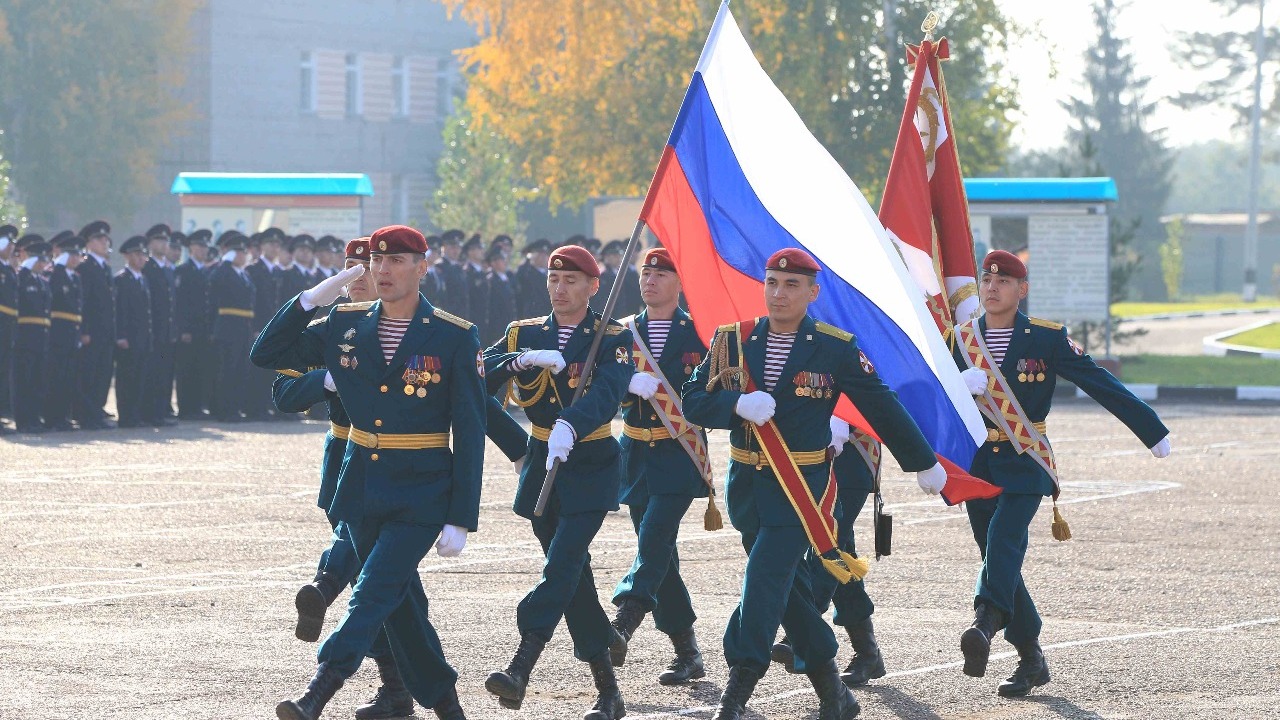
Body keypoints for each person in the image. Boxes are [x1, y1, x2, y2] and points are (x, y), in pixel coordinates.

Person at [681, 248, 946, 720]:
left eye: (791, 285)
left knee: (763, 582)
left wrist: (921, 460)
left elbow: (881, 404)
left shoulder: (834, 347)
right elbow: (693, 401)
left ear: (813, 293)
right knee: (787, 593)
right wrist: (735, 407)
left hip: (801, 491)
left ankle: (737, 690)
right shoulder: (733, 339)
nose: (779, 294)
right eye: (772, 283)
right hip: (747, 488)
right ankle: (834, 693)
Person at [252, 225, 481, 720]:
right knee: (402, 608)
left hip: (421, 490)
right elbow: (265, 355)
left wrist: (461, 514)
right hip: (359, 486)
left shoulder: (453, 334)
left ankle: (318, 692)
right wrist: (310, 300)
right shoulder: (345, 323)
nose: (383, 270)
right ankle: (448, 707)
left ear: (422, 267)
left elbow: (470, 426)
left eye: (397, 260)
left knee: (373, 590)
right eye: (378, 261)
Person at [946, 250, 1172, 697]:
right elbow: (930, 396)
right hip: (979, 462)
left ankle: (985, 621)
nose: (992, 287)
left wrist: (1151, 428)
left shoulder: (1046, 338)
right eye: (986, 280)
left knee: (1003, 539)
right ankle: (1031, 657)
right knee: (996, 557)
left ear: (1022, 290)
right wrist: (955, 385)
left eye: (1003, 281)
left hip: (1026, 459)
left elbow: (1098, 382)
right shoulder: (959, 339)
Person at [482, 244, 632, 720]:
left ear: (593, 287)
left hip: (590, 463)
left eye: (571, 281)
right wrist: (518, 361)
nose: (559, 288)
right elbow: (475, 376)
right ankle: (609, 690)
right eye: (553, 279)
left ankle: (520, 667)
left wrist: (574, 422)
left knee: (563, 565)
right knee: (573, 578)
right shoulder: (523, 333)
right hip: (542, 464)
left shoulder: (611, 336)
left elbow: (608, 392)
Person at [607, 247, 712, 686]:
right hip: (635, 455)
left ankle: (624, 621)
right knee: (661, 556)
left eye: (661, 274)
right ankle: (687, 652)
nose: (650, 280)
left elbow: (712, 392)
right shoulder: (621, 332)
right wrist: (625, 384)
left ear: (680, 282)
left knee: (653, 540)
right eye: (645, 273)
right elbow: (599, 384)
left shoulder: (700, 333)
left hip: (679, 453)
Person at [771, 424, 886, 688]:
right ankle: (868, 652)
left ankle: (802, 629)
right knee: (841, 556)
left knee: (827, 547)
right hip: (809, 457)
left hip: (851, 460)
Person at [207, 231, 255, 422]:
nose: (242, 255)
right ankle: (224, 410)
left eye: (244, 252)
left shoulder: (244, 274)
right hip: (228, 326)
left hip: (244, 327)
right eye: (238, 252)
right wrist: (225, 262)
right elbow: (215, 281)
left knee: (240, 370)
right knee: (227, 369)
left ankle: (235, 408)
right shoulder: (224, 271)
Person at [75, 221, 117, 430]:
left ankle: (97, 410)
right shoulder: (85, 267)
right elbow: (83, 301)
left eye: (106, 238)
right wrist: (83, 330)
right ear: (89, 242)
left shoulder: (105, 268)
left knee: (103, 374)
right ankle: (87, 415)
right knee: (89, 374)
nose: (104, 242)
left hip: (106, 331)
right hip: (92, 332)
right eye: (99, 239)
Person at [44, 232, 86, 431]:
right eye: (73, 255)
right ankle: (53, 417)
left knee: (68, 376)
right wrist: (59, 266)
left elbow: (78, 308)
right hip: (58, 333)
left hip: (72, 332)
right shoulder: (56, 274)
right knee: (56, 376)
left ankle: (63, 416)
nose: (77, 259)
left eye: (78, 255)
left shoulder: (75, 278)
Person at [12, 235, 52, 433]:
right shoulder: (22, 277)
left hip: (40, 338)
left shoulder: (43, 282)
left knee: (37, 380)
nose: (44, 264)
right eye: (40, 260)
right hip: (25, 338)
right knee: (24, 380)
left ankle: (34, 418)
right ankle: (24, 420)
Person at [113, 235, 154, 429]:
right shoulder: (122, 279)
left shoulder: (143, 279)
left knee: (140, 377)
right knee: (126, 378)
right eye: (137, 255)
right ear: (127, 256)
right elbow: (120, 310)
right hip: (128, 338)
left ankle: (136, 415)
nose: (141, 259)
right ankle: (126, 416)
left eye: (143, 255)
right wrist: (120, 335)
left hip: (142, 337)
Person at [174, 230, 214, 420]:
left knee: (201, 368)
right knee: (186, 370)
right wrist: (183, 329)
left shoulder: (206, 271)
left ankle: (197, 407)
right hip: (189, 330)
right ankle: (185, 408)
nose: (204, 250)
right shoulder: (183, 270)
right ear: (191, 248)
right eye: (200, 246)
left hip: (203, 329)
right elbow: (180, 303)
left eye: (206, 246)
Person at [142, 225, 178, 426]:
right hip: (154, 330)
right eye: (159, 241)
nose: (164, 245)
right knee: (153, 373)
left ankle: (162, 410)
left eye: (166, 241)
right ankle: (151, 413)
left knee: (165, 374)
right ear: (150, 243)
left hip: (167, 331)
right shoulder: (148, 268)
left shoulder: (168, 269)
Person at [0, 224, 21, 431]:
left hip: (7, 327)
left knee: (3, 370)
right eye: (8, 243)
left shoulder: (7, 269)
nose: (11, 248)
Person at [597, 240, 642, 319]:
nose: (618, 258)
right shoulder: (603, 277)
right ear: (606, 257)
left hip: (627, 316)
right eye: (614, 255)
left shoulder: (627, 274)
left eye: (619, 255)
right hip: (610, 319)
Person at [484, 245, 517, 343]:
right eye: (502, 259)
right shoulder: (491, 280)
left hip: (509, 327)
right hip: (497, 331)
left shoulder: (507, 278)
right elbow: (492, 309)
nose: (505, 261)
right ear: (493, 263)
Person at [514, 238, 551, 319]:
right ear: (533, 255)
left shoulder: (551, 275)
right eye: (540, 254)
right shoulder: (526, 274)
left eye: (546, 254)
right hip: (531, 317)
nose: (543, 257)